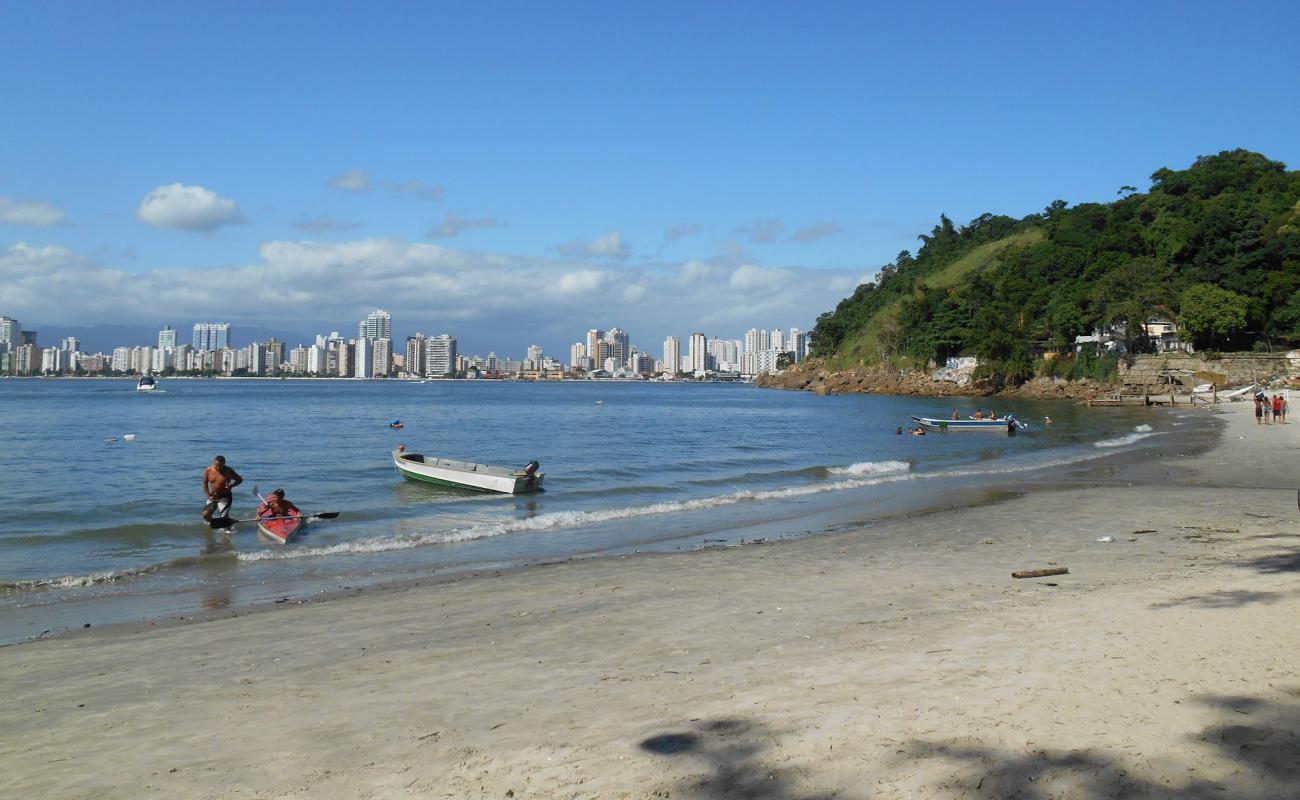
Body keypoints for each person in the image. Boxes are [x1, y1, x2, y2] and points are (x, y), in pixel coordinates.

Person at [202, 455, 243, 522]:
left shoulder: (229, 471)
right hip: (213, 497)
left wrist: (231, 485)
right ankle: (216, 524)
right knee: (205, 515)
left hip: (225, 496)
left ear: (224, 463)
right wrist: (208, 496)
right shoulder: (208, 470)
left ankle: (227, 530)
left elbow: (239, 480)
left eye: (220, 466)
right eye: (216, 465)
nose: (218, 468)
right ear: (213, 462)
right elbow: (204, 483)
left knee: (224, 516)